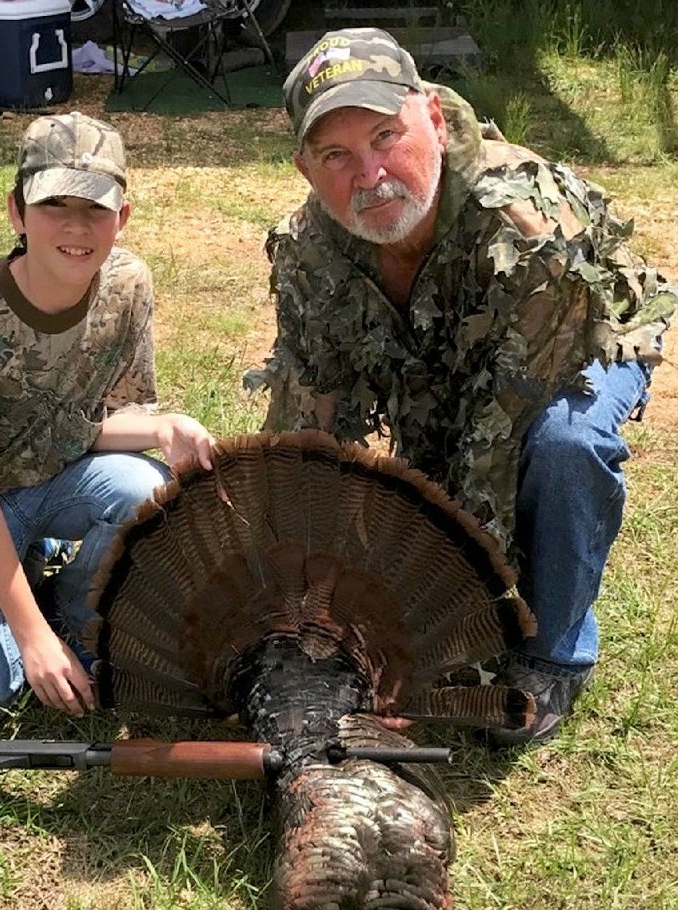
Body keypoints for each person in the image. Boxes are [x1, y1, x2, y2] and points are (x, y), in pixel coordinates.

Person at [244, 27, 676, 746]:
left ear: (435, 122)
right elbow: (304, 424)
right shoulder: (308, 250)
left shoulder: (524, 222)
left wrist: (443, 654)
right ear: (304, 170)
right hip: (454, 351)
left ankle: (554, 654)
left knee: (566, 443)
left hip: (581, 338)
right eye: (337, 156)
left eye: (386, 137)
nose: (371, 173)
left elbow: (493, 444)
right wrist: (289, 599)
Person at [0, 111, 216, 725]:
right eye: (56, 206)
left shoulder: (129, 284)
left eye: (97, 209)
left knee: (148, 489)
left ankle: (77, 613)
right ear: (18, 212)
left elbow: (96, 422)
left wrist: (163, 427)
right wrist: (30, 637)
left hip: (69, 476)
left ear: (122, 218)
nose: (78, 228)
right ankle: (32, 602)